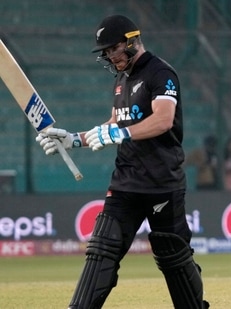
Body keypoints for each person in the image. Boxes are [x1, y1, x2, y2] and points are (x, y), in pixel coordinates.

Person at [35, 15, 208, 309]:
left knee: (174, 257)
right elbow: (113, 124)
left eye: (111, 49)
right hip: (126, 181)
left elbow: (163, 120)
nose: (107, 56)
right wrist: (74, 139)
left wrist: (120, 132)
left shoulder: (161, 73)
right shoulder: (121, 79)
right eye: (104, 51)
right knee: (103, 248)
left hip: (162, 182)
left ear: (130, 41)